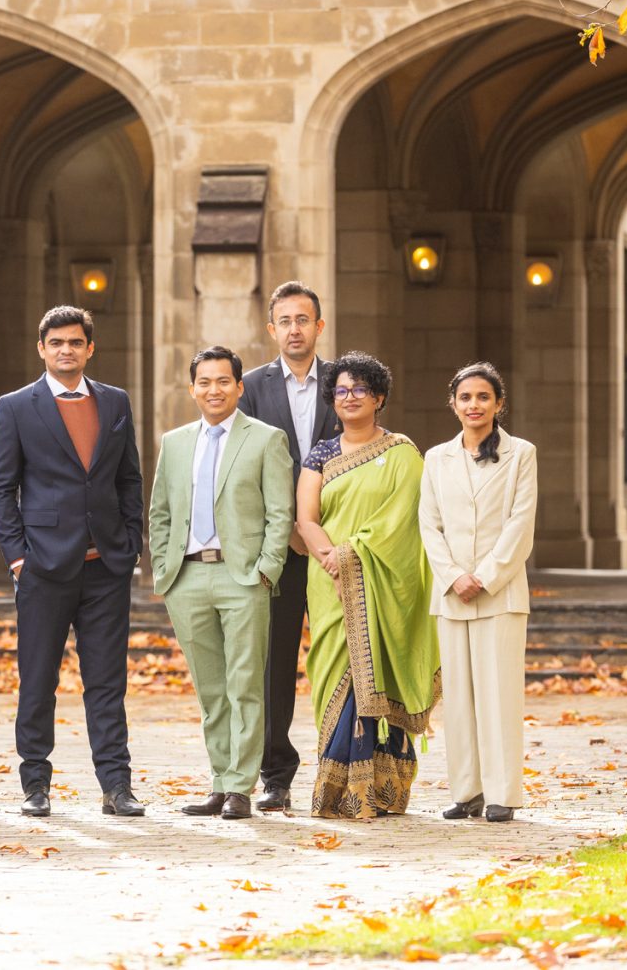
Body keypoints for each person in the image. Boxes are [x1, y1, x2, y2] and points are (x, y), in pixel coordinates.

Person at [0, 306, 145, 818]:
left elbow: (128, 480)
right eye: (56, 342)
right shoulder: (15, 407)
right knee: (37, 680)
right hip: (43, 568)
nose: (66, 350)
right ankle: (35, 784)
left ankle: (116, 786)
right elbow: (0, 489)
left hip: (106, 567)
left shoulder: (116, 402)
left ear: (89, 348)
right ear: (42, 349)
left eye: (75, 342)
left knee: (107, 682)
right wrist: (16, 560)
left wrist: (130, 543)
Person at [149, 345, 293, 819]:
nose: (214, 389)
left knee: (244, 684)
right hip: (187, 577)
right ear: (192, 389)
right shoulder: (175, 442)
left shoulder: (266, 439)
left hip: (242, 578)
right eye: (205, 382)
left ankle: (240, 788)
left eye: (223, 381)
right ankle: (219, 780)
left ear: (239, 387)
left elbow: (280, 512)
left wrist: (266, 569)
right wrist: (165, 571)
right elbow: (161, 512)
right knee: (210, 689)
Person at [296, 352, 440, 820]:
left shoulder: (402, 452)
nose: (350, 397)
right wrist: (333, 559)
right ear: (332, 400)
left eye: (361, 389)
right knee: (333, 672)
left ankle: (381, 790)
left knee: (378, 671)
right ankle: (336, 790)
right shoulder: (320, 453)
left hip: (383, 583)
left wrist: (353, 555)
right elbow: (306, 519)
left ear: (379, 397)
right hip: (329, 580)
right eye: (341, 390)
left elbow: (404, 524)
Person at [418, 362, 537, 824]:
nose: (474, 405)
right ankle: (466, 791)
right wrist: (452, 576)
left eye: (483, 397)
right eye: (465, 398)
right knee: (461, 698)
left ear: (499, 404)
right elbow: (430, 524)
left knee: (499, 695)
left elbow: (519, 525)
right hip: (451, 596)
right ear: (453, 404)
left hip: (500, 596)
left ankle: (502, 793)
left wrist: (484, 577)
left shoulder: (521, 454)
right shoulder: (435, 458)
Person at [239, 281, 338, 812]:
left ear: (319, 327)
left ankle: (346, 764)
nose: (295, 329)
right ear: (271, 329)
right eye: (286, 321)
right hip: (276, 549)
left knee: (346, 659)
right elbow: (245, 466)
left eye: (305, 320)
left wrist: (317, 530)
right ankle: (275, 773)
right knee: (274, 664)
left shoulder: (345, 383)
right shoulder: (250, 387)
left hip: (334, 547)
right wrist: (284, 531)